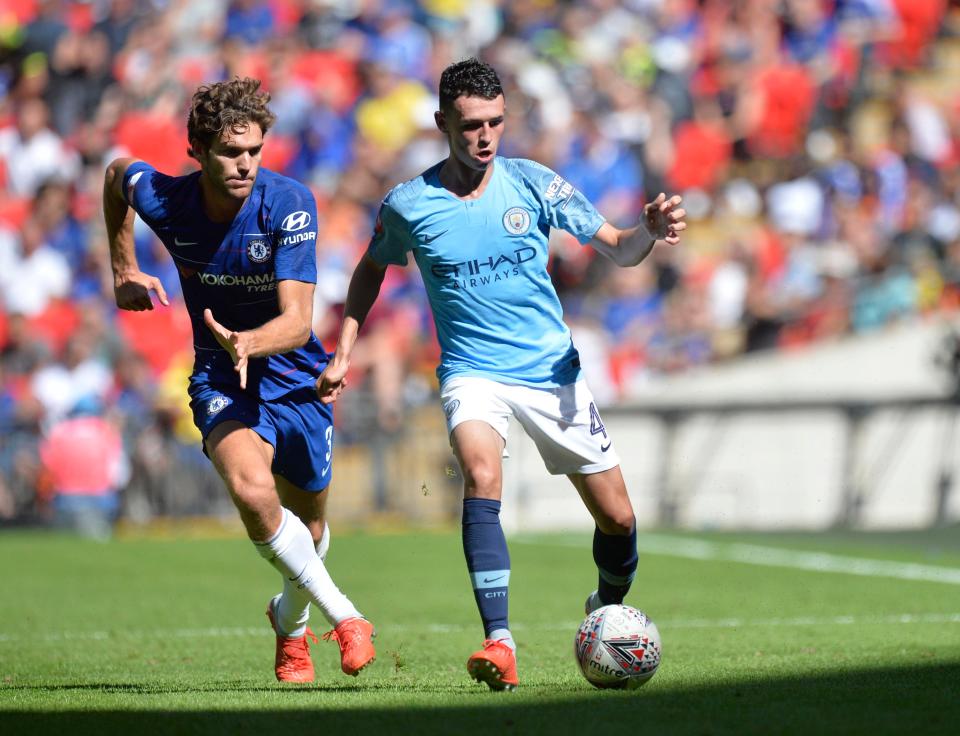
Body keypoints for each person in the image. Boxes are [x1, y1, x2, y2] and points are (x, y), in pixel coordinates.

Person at [318, 58, 686, 691]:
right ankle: (500, 640)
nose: (485, 137)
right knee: (482, 475)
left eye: (494, 123)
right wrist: (346, 348)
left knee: (619, 519)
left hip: (551, 371)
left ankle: (605, 610)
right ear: (442, 123)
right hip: (471, 371)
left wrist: (647, 232)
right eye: (470, 126)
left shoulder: (534, 183)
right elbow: (370, 269)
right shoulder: (409, 204)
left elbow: (619, 247)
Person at [102, 77, 375, 684]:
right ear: (197, 150)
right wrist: (123, 266)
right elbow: (118, 174)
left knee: (309, 528)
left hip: (297, 375)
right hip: (220, 376)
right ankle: (347, 617)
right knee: (255, 496)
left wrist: (249, 340)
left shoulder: (289, 202)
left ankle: (290, 626)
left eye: (254, 150)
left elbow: (299, 320)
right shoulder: (169, 200)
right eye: (230, 152)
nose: (245, 164)